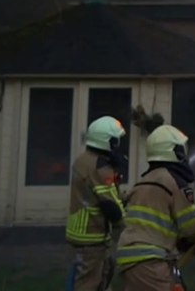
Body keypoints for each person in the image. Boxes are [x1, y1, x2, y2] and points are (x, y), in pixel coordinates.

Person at [115, 124, 195, 291]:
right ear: (174, 151)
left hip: (129, 258)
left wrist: (177, 242)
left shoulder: (142, 182)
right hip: (149, 261)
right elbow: (192, 226)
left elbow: (155, 224)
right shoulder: (174, 182)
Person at [66, 115, 128, 291]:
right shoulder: (100, 168)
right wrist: (128, 227)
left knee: (91, 278)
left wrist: (125, 196)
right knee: (90, 283)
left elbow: (92, 194)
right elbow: (110, 206)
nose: (118, 146)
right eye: (116, 141)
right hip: (92, 235)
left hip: (79, 231)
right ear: (108, 142)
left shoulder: (82, 160)